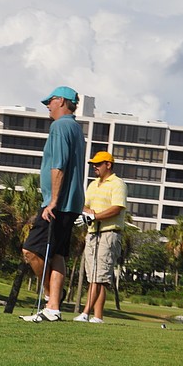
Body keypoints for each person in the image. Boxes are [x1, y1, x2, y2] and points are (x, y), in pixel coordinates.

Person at [21, 86, 86, 322]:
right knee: (57, 254)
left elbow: (58, 165)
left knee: (30, 251)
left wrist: (53, 202)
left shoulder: (59, 127)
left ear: (61, 101)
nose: (47, 105)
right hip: (73, 204)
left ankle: (51, 297)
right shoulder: (76, 129)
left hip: (57, 203)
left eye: (50, 101)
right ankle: (53, 309)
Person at [74, 151, 126, 324]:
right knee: (95, 277)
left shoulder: (117, 184)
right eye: (93, 164)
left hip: (109, 233)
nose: (94, 167)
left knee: (99, 276)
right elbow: (85, 205)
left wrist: (95, 216)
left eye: (98, 164)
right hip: (92, 233)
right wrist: (88, 213)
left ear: (108, 165)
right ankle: (98, 317)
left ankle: (86, 312)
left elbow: (116, 208)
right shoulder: (93, 184)